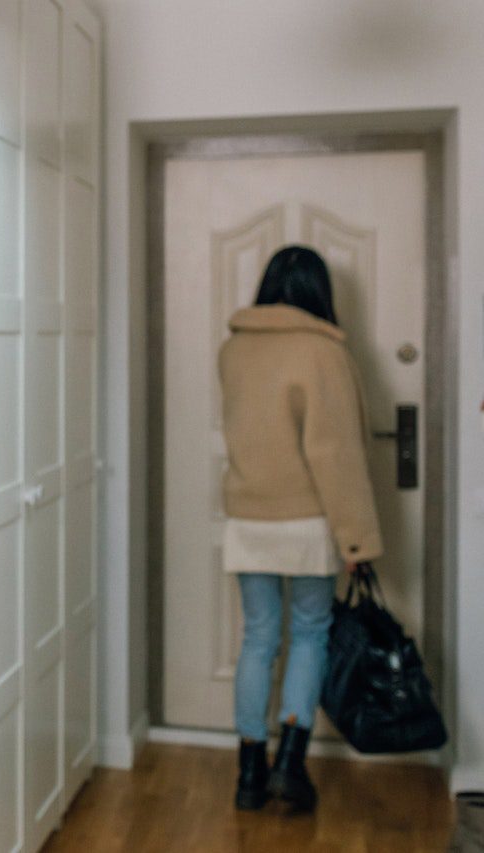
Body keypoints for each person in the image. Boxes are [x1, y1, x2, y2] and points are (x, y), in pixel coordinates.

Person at [217, 245, 383, 813]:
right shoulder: (323, 353)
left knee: (259, 639)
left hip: (247, 515)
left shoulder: (233, 350)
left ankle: (247, 776)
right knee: (309, 634)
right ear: (318, 291)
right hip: (309, 520)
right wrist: (357, 539)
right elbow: (335, 456)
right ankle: (289, 764)